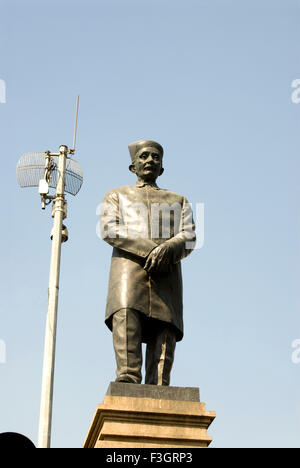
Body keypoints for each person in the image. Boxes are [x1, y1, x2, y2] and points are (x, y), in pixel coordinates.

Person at [100, 139, 196, 385]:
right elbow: (109, 229)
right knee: (127, 315)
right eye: (143, 156)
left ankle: (159, 384)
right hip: (128, 270)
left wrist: (168, 249)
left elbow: (189, 236)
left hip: (167, 273)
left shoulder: (178, 199)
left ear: (162, 167)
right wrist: (152, 250)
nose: (150, 161)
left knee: (165, 326)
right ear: (133, 166)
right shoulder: (117, 195)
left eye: (155, 157)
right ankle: (128, 376)